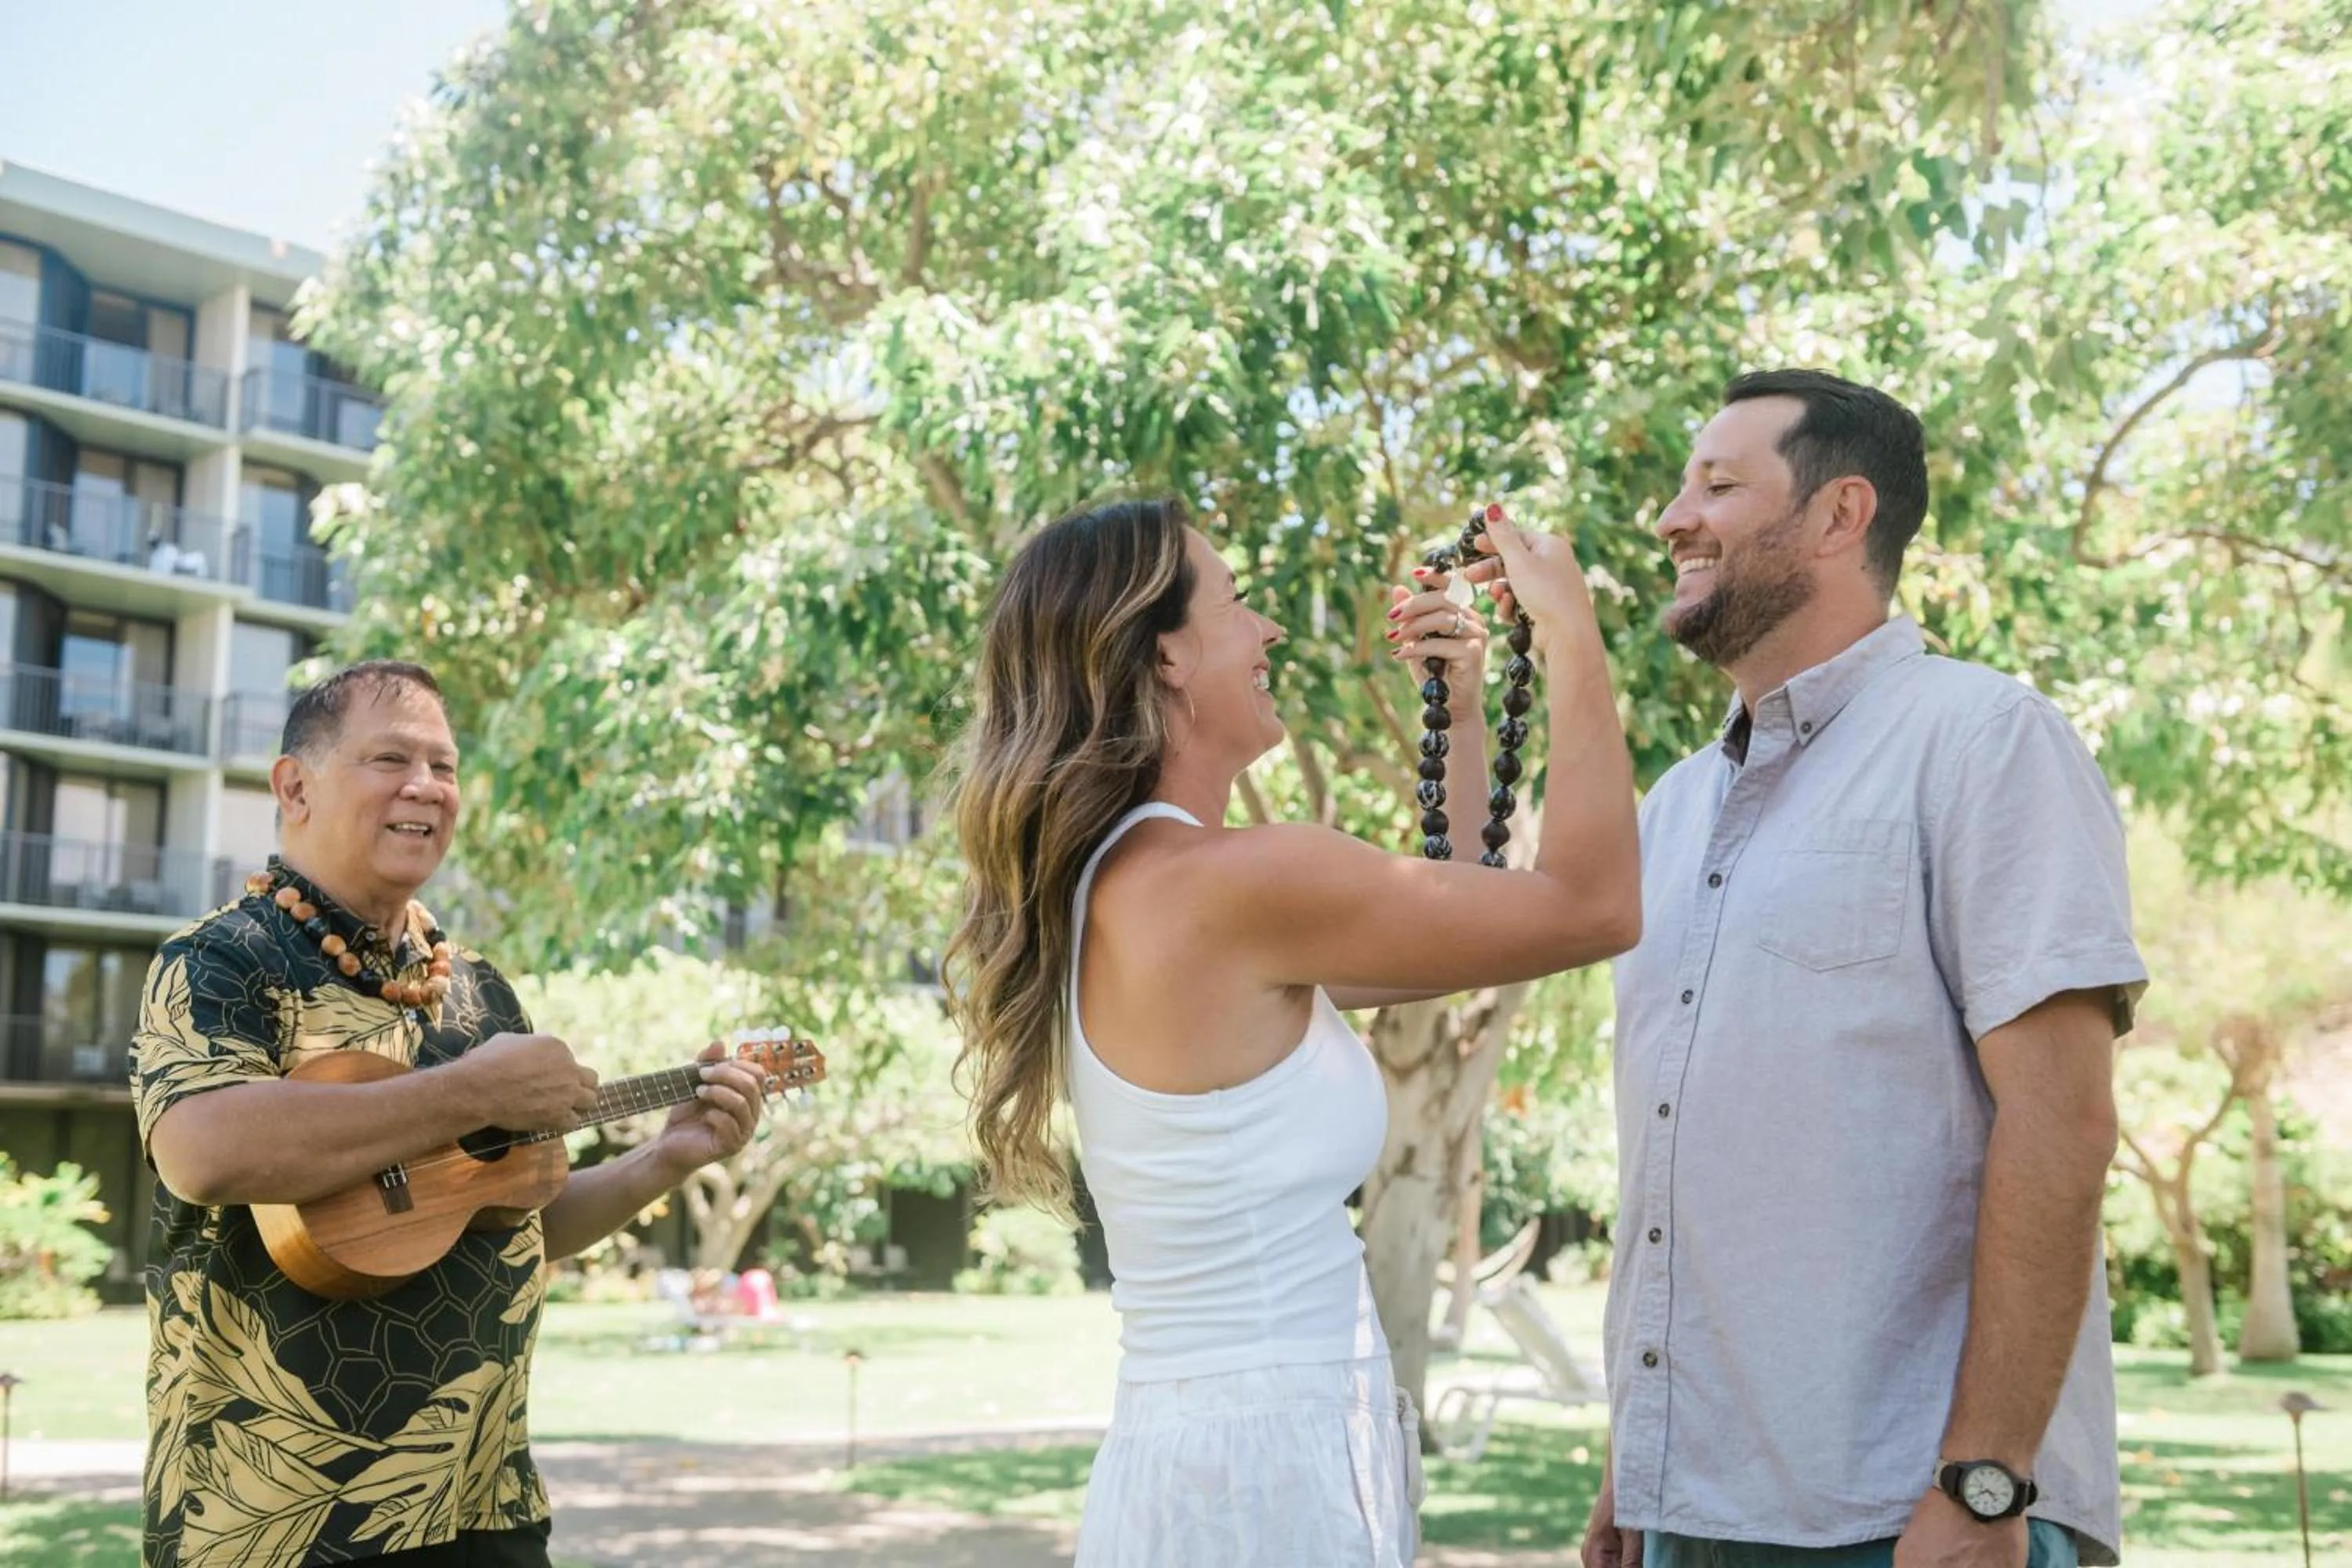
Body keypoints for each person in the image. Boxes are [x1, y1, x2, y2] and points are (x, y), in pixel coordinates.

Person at [943, 495, 1642, 1566]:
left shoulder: (1137, 884)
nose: (1269, 633)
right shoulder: (1234, 883)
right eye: (1239, 605)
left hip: (1224, 1452)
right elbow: (1594, 907)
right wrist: (1570, 634)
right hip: (1265, 1478)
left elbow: (1447, 930)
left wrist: (1458, 712)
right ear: (1165, 655)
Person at [1572, 372, 2147, 1568]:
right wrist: (1643, 1452)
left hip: (1907, 1517)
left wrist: (1985, 1485)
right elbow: (1684, 1160)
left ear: (1840, 516)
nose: (1673, 517)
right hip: (1690, 1507)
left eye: (1718, 485)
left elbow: (2063, 1121)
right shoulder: (1672, 811)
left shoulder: (1985, 742)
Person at [132, 660, 770, 1568]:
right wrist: (470, 1092)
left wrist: (665, 1159)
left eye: (446, 765)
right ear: (294, 784)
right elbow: (201, 1146)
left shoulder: (475, 991)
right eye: (391, 757)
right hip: (276, 1518)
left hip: (484, 1502)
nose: (427, 786)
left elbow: (510, 1220)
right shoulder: (220, 959)